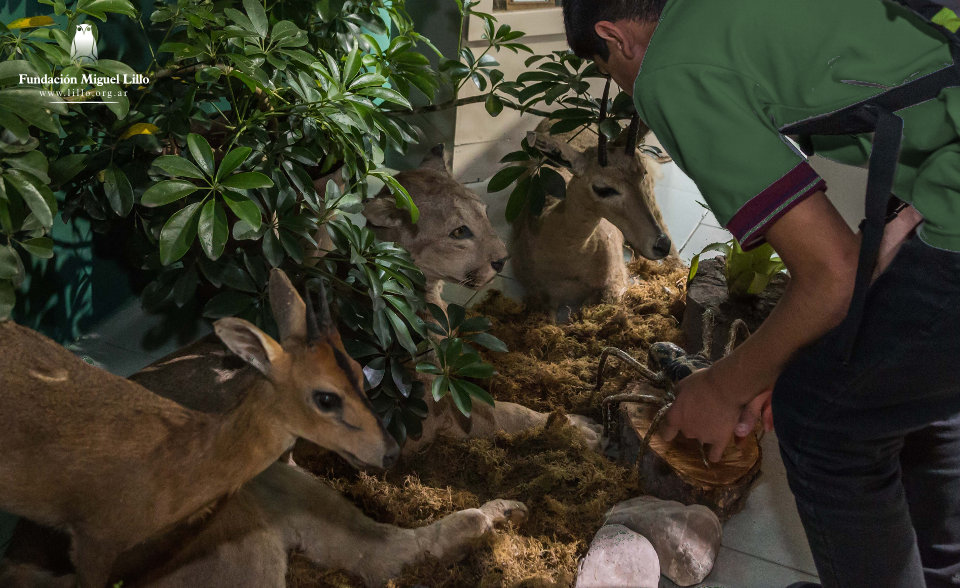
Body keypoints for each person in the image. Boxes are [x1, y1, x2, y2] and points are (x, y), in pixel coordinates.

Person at [560, 0, 960, 586]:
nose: (619, 86)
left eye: (605, 69)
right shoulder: (734, 17)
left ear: (614, 37)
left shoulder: (668, 68)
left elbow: (832, 273)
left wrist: (722, 387)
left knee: (823, 421)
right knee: (896, 382)